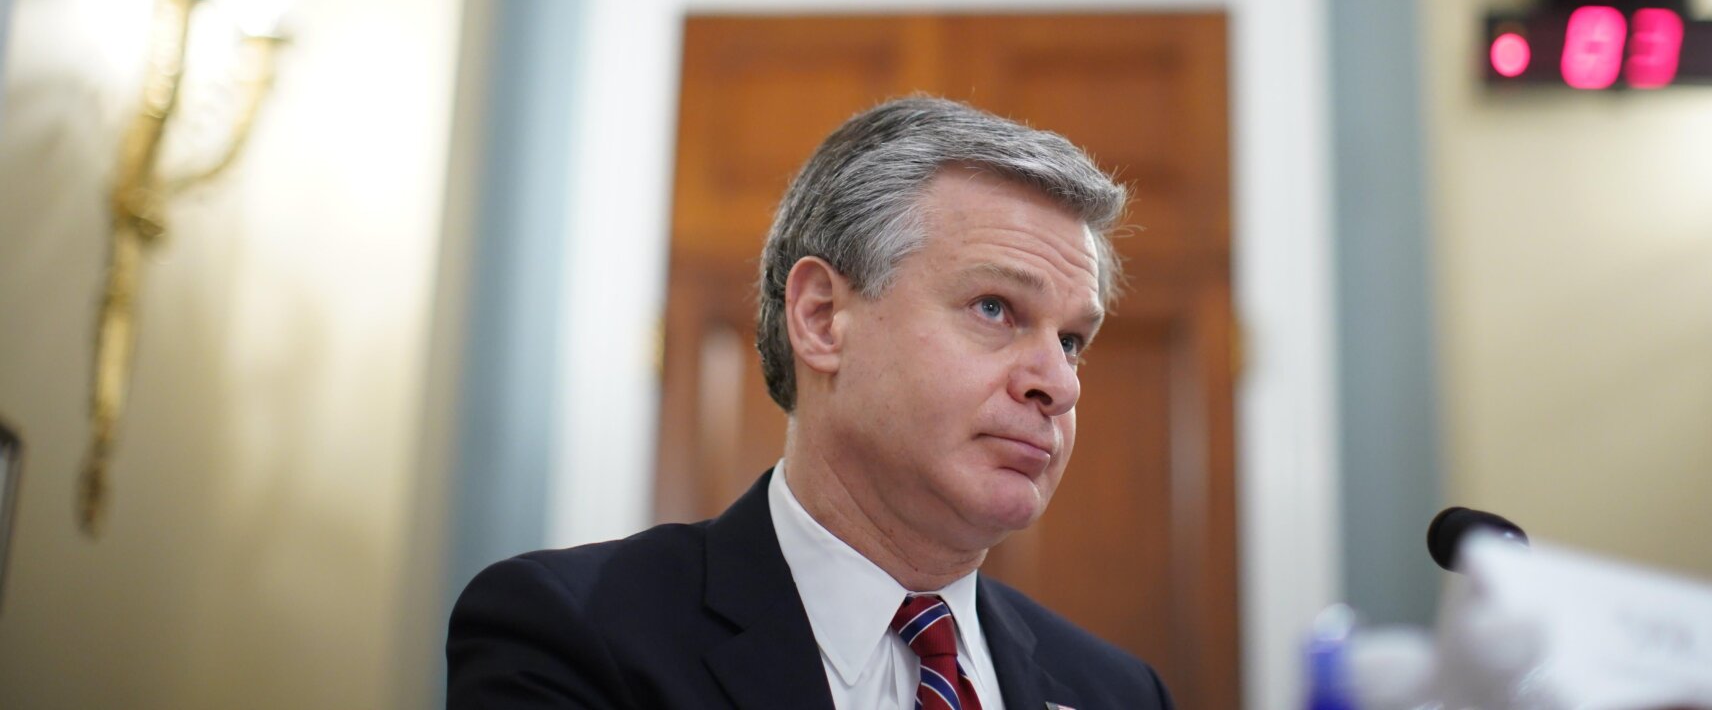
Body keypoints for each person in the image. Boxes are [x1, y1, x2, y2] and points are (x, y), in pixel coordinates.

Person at [448, 96, 1176, 709]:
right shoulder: (570, 635)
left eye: (1074, 340)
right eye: (995, 307)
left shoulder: (1119, 691)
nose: (1061, 383)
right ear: (823, 318)